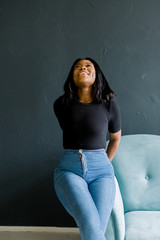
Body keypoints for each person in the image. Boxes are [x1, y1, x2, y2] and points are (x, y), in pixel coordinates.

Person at [53, 57, 121, 240]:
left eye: (88, 66)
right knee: (91, 225)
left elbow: (115, 139)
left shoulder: (109, 105)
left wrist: (104, 162)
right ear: (72, 76)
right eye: (78, 66)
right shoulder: (61, 105)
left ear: (96, 74)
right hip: (70, 170)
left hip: (102, 172)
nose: (83, 68)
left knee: (95, 228)